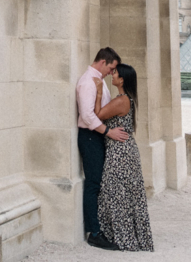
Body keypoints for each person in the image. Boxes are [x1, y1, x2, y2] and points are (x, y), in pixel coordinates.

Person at [94, 63, 154, 252]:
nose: (113, 75)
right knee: (126, 194)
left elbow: (97, 115)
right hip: (125, 151)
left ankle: (122, 238)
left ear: (122, 80)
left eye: (116, 73)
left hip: (120, 153)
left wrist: (97, 93)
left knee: (115, 193)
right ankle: (129, 236)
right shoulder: (128, 98)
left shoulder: (122, 100)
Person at [77, 48, 129, 249]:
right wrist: (109, 132)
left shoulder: (97, 81)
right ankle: (94, 233)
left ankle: (101, 228)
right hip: (91, 136)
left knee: (99, 183)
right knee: (94, 183)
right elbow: (88, 116)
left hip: (97, 135)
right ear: (103, 62)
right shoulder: (87, 82)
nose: (112, 71)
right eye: (112, 67)